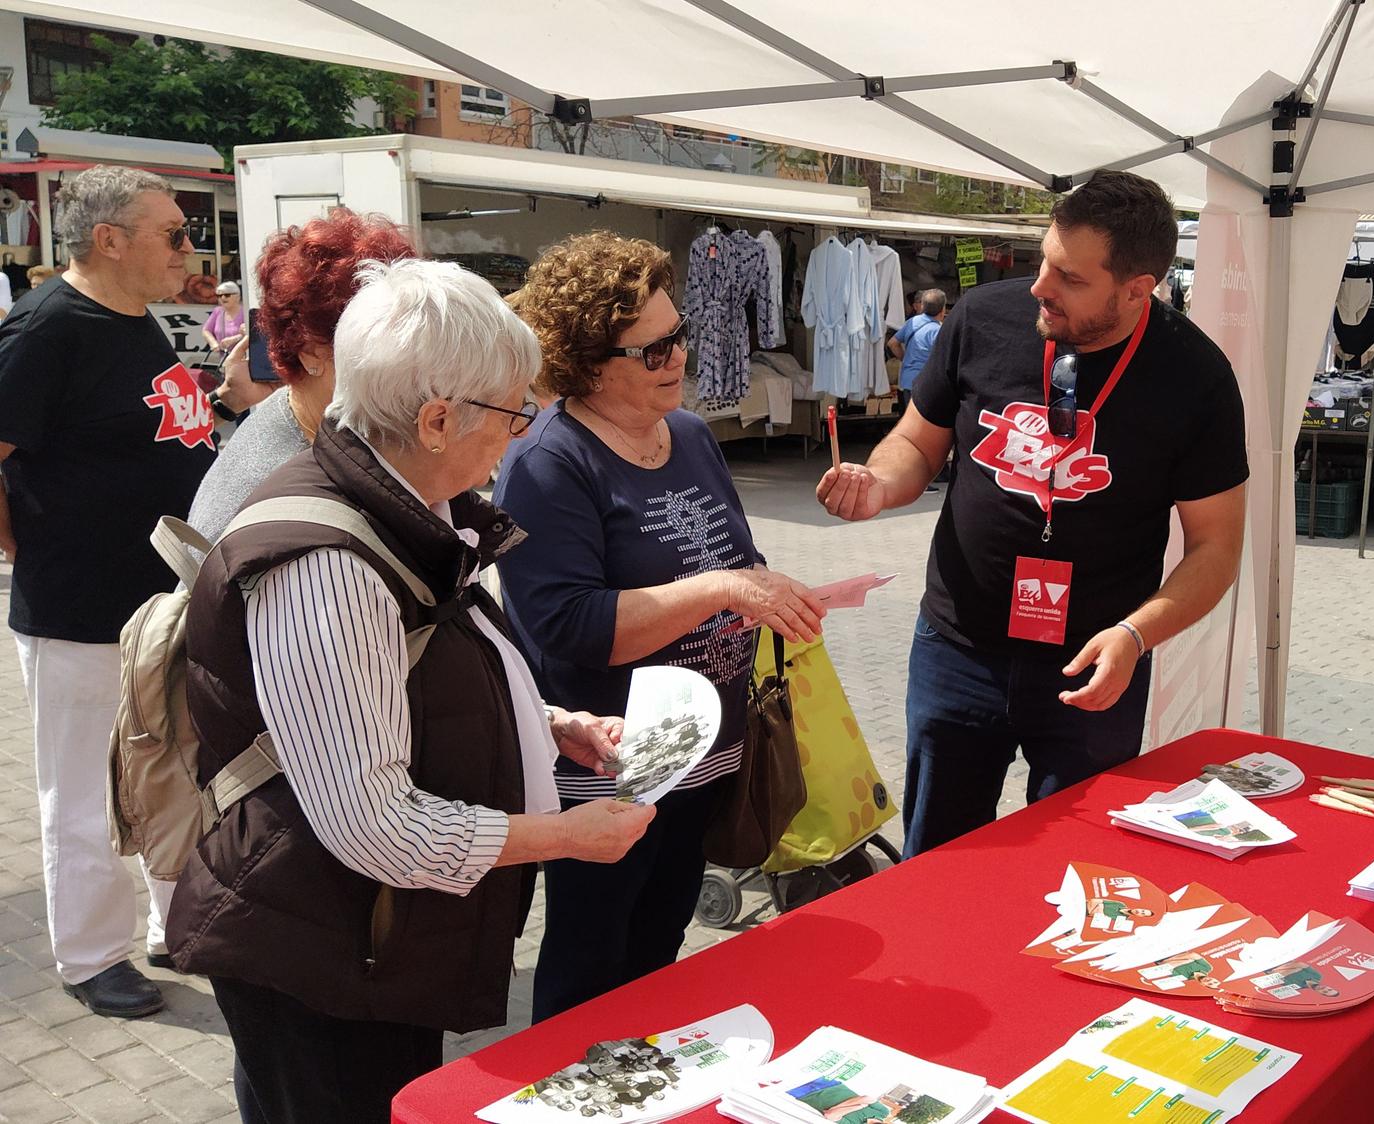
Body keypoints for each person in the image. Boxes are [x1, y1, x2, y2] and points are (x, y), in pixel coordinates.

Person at [165, 257, 655, 1124]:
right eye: (515, 410)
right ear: (435, 420)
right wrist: (564, 837)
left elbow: (388, 685)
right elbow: (375, 825)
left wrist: (547, 725)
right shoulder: (327, 562)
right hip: (321, 947)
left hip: (364, 934)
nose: (524, 430)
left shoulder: (407, 505)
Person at [816, 170, 1248, 856]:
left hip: (1093, 666)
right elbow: (915, 445)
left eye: (1070, 278)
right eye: (1045, 260)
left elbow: (1216, 549)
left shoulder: (1196, 377)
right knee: (937, 860)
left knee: (1071, 872)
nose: (1041, 286)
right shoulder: (981, 317)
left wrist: (1135, 637)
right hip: (957, 648)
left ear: (1138, 287)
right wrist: (877, 483)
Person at [498, 231, 825, 1022]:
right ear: (586, 360)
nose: (676, 356)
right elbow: (573, 626)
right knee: (588, 963)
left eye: (680, 335)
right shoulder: (548, 461)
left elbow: (734, 557)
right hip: (610, 765)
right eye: (651, 350)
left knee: (657, 952)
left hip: (703, 755)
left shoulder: (687, 435)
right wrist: (717, 589)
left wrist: (767, 591)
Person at [0, 165, 215, 1018]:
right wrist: (24, 543)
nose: (188, 248)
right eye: (173, 232)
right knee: (84, 790)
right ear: (110, 240)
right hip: (80, 610)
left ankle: (179, 925)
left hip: (158, 605)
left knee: (169, 772)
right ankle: (91, 957)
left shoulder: (137, 322)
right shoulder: (44, 331)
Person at [186, 210, 415, 543]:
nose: (411, 361)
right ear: (310, 352)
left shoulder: (317, 425)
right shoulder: (286, 481)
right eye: (382, 341)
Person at [889, 287, 945, 407]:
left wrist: (905, 358)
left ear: (923, 307)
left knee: (910, 420)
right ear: (942, 310)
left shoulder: (912, 322)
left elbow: (892, 343)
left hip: (908, 381)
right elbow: (943, 359)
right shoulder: (938, 330)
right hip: (927, 385)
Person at [202, 279, 246, 351]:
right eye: (219, 296)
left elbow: (252, 334)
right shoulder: (218, 311)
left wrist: (235, 339)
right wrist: (213, 343)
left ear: (237, 296)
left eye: (227, 295)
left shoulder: (245, 312)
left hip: (243, 358)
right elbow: (206, 330)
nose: (222, 298)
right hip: (224, 358)